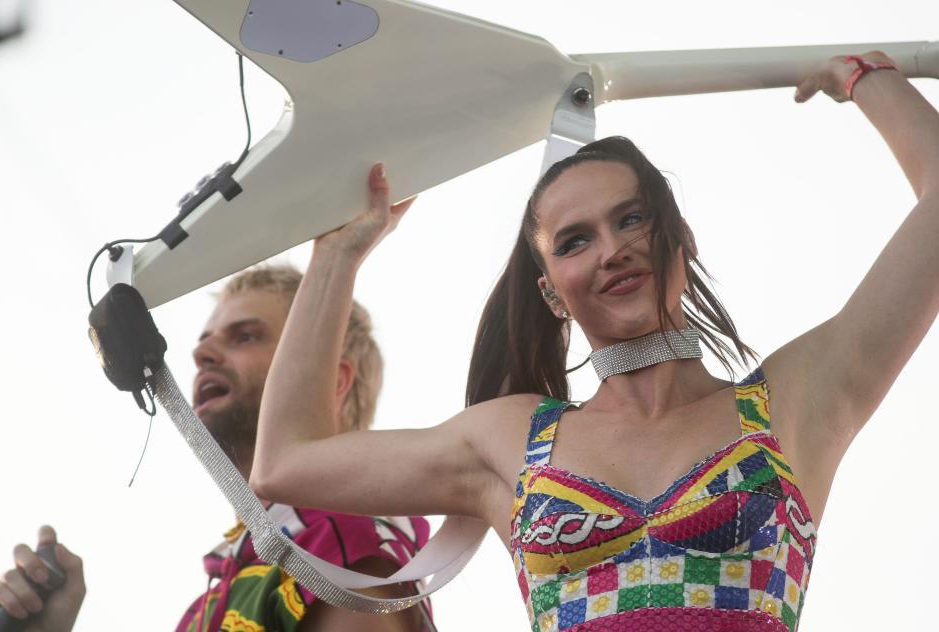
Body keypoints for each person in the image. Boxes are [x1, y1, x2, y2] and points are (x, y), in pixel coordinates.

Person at [249, 52, 939, 632]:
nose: (612, 251)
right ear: (552, 291)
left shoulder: (793, 401)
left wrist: (863, 72)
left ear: (683, 241)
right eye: (576, 241)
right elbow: (285, 461)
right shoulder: (513, 440)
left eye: (632, 219)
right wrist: (338, 257)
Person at [0, 265, 432, 632]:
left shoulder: (346, 533)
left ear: (331, 381)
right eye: (203, 342)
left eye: (245, 336)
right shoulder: (209, 602)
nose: (202, 355)